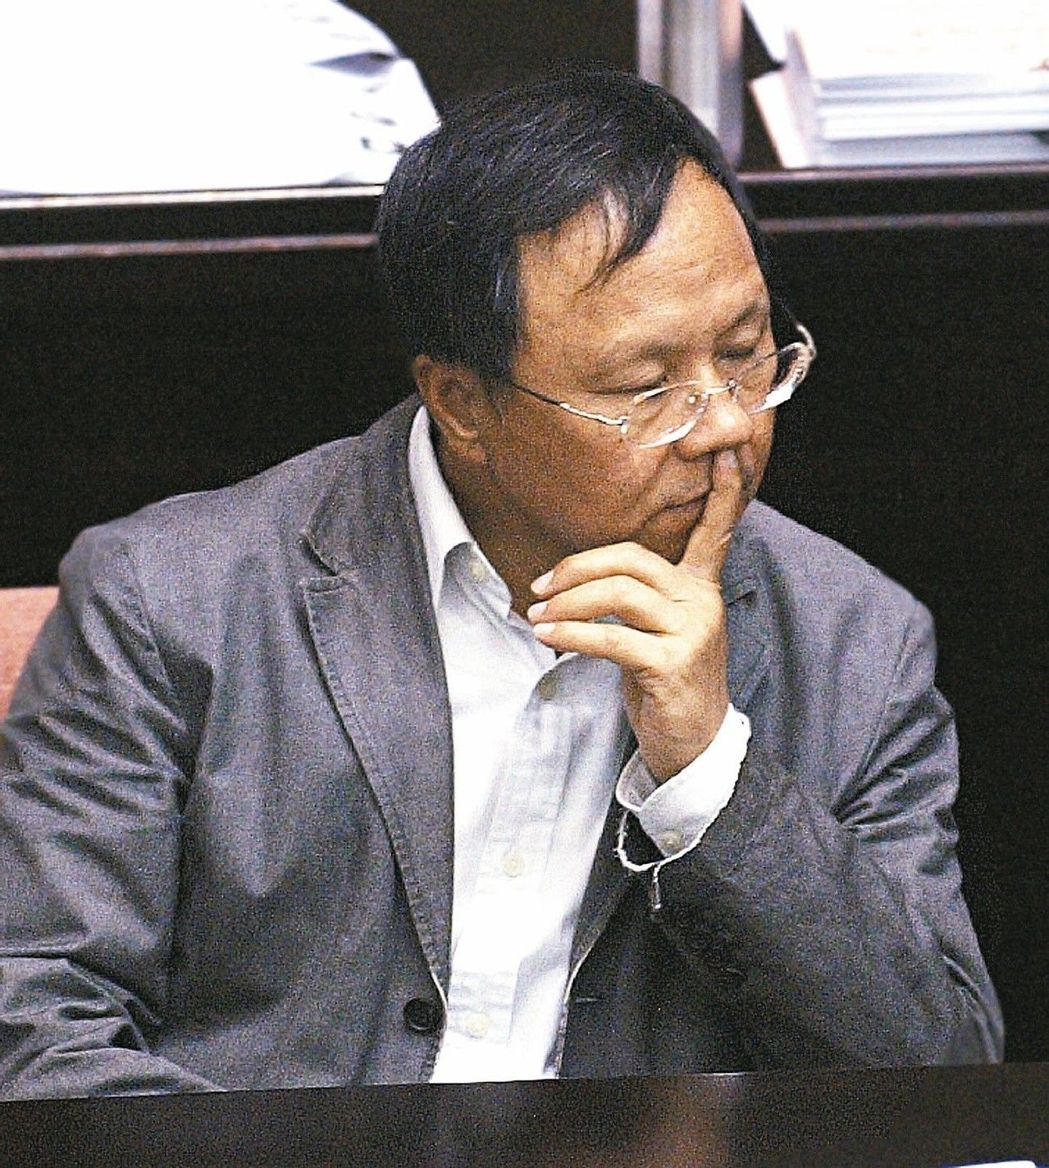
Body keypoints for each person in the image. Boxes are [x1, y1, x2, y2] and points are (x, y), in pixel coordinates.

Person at [0, 67, 1001, 1098]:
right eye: (645, 387)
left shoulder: (856, 643)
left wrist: (708, 774)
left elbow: (936, 1081)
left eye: (746, 355)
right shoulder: (168, 601)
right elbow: (32, 1029)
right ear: (459, 401)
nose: (725, 426)